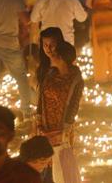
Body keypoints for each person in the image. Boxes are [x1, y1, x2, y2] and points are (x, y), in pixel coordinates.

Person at [35, 30, 83, 183]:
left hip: (61, 128)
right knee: (45, 162)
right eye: (45, 45)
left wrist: (65, 129)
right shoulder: (48, 72)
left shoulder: (74, 77)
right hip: (45, 125)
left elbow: (73, 104)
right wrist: (39, 121)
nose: (49, 50)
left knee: (61, 164)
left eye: (52, 46)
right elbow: (41, 97)